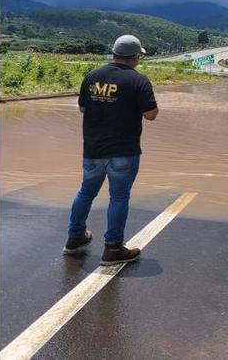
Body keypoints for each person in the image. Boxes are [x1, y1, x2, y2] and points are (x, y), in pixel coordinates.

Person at [63, 34, 159, 265]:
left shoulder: (92, 76)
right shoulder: (138, 81)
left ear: (114, 53)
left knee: (85, 192)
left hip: (93, 148)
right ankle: (113, 248)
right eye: (139, 57)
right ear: (135, 57)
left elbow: (83, 108)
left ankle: (75, 238)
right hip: (123, 151)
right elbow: (151, 114)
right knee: (119, 197)